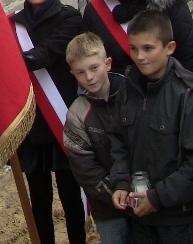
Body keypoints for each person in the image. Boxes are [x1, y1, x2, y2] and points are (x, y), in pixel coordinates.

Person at [109, 10, 193, 244]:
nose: (139, 57)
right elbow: (119, 144)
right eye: (134, 48)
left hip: (177, 220)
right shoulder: (127, 90)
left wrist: (157, 198)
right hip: (139, 218)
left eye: (148, 48)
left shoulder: (188, 94)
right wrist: (121, 183)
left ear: (169, 48)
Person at [8, 0, 86, 244]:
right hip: (31, 123)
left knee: (70, 195)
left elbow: (49, 53)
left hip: (61, 116)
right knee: (39, 198)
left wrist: (10, 62)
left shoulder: (69, 18)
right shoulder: (13, 24)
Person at [63, 33, 129, 244]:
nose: (89, 77)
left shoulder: (135, 95)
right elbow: (85, 170)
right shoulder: (76, 114)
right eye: (81, 72)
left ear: (107, 63)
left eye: (94, 68)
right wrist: (117, 194)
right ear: (73, 73)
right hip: (108, 209)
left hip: (146, 198)